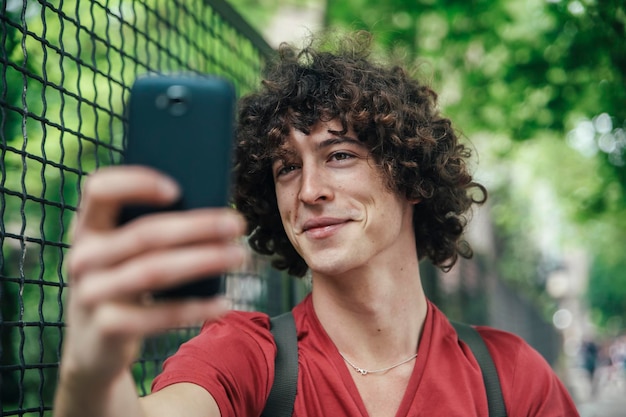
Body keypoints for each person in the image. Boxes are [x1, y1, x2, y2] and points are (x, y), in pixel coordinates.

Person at [53, 32, 579, 417]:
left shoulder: (509, 376)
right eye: (286, 167)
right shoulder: (248, 357)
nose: (309, 190)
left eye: (341, 154)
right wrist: (91, 375)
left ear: (411, 176)